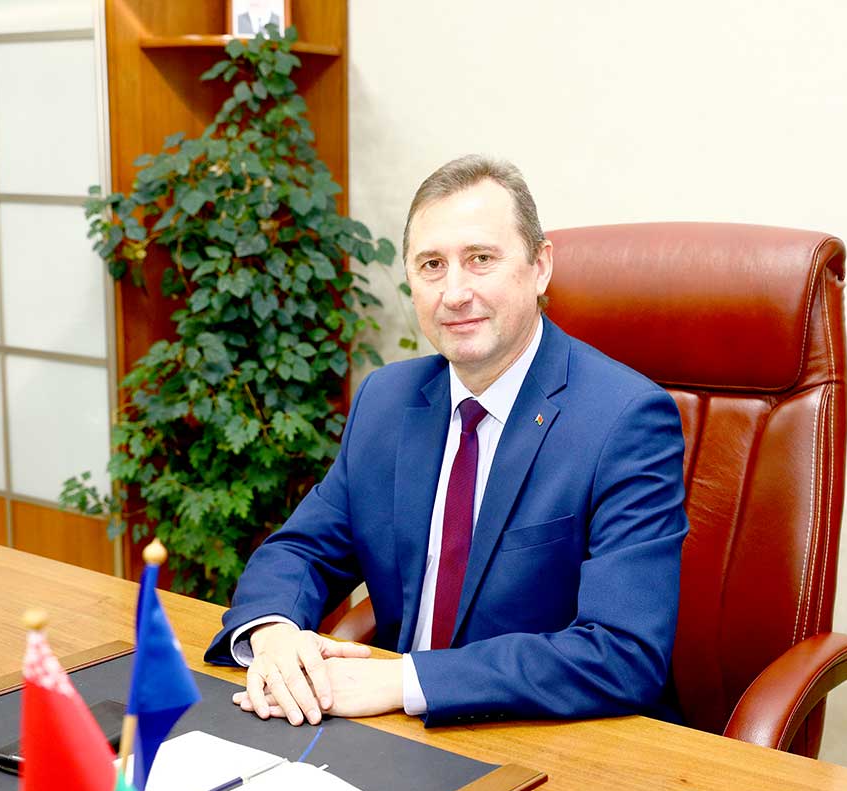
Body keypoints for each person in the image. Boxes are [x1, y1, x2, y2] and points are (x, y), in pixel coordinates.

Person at [205, 155, 688, 727]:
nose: (454, 293)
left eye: (480, 259)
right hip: (394, 732)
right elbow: (302, 550)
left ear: (540, 267)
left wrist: (405, 682)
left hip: (548, 736)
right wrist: (274, 632)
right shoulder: (388, 400)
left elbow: (623, 653)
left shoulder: (626, 420)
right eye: (432, 265)